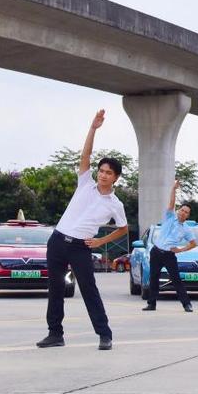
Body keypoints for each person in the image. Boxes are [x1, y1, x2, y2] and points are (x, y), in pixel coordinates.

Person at [36, 110, 129, 351]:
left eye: (109, 172)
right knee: (55, 288)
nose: (103, 175)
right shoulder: (85, 184)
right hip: (57, 241)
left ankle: (104, 334)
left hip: (80, 247)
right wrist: (93, 128)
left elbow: (123, 229)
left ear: (115, 178)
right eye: (101, 171)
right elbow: (85, 155)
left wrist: (100, 242)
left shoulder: (115, 205)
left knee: (89, 289)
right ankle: (55, 334)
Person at [143, 180, 197, 312]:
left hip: (169, 255)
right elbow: (171, 203)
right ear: (178, 211)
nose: (183, 213)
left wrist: (181, 250)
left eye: (186, 212)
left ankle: (187, 304)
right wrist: (173, 189)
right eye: (182, 210)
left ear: (188, 215)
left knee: (176, 280)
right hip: (156, 252)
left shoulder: (186, 229)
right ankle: (152, 304)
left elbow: (193, 243)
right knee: (153, 278)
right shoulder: (169, 217)